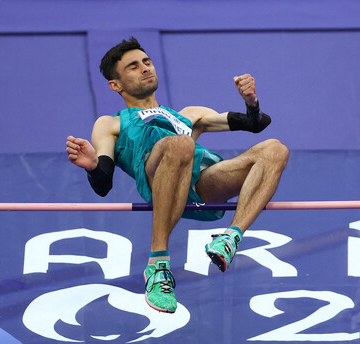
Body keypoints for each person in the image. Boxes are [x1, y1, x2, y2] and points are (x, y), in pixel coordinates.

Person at [66, 37, 289, 313]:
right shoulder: (111, 123)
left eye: (147, 62)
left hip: (201, 183)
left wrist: (251, 102)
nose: (145, 68)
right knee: (181, 144)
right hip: (157, 178)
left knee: (275, 149)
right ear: (116, 85)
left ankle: (230, 237)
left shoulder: (190, 115)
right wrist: (91, 166)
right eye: (133, 66)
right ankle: (157, 264)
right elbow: (103, 185)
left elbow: (256, 124)